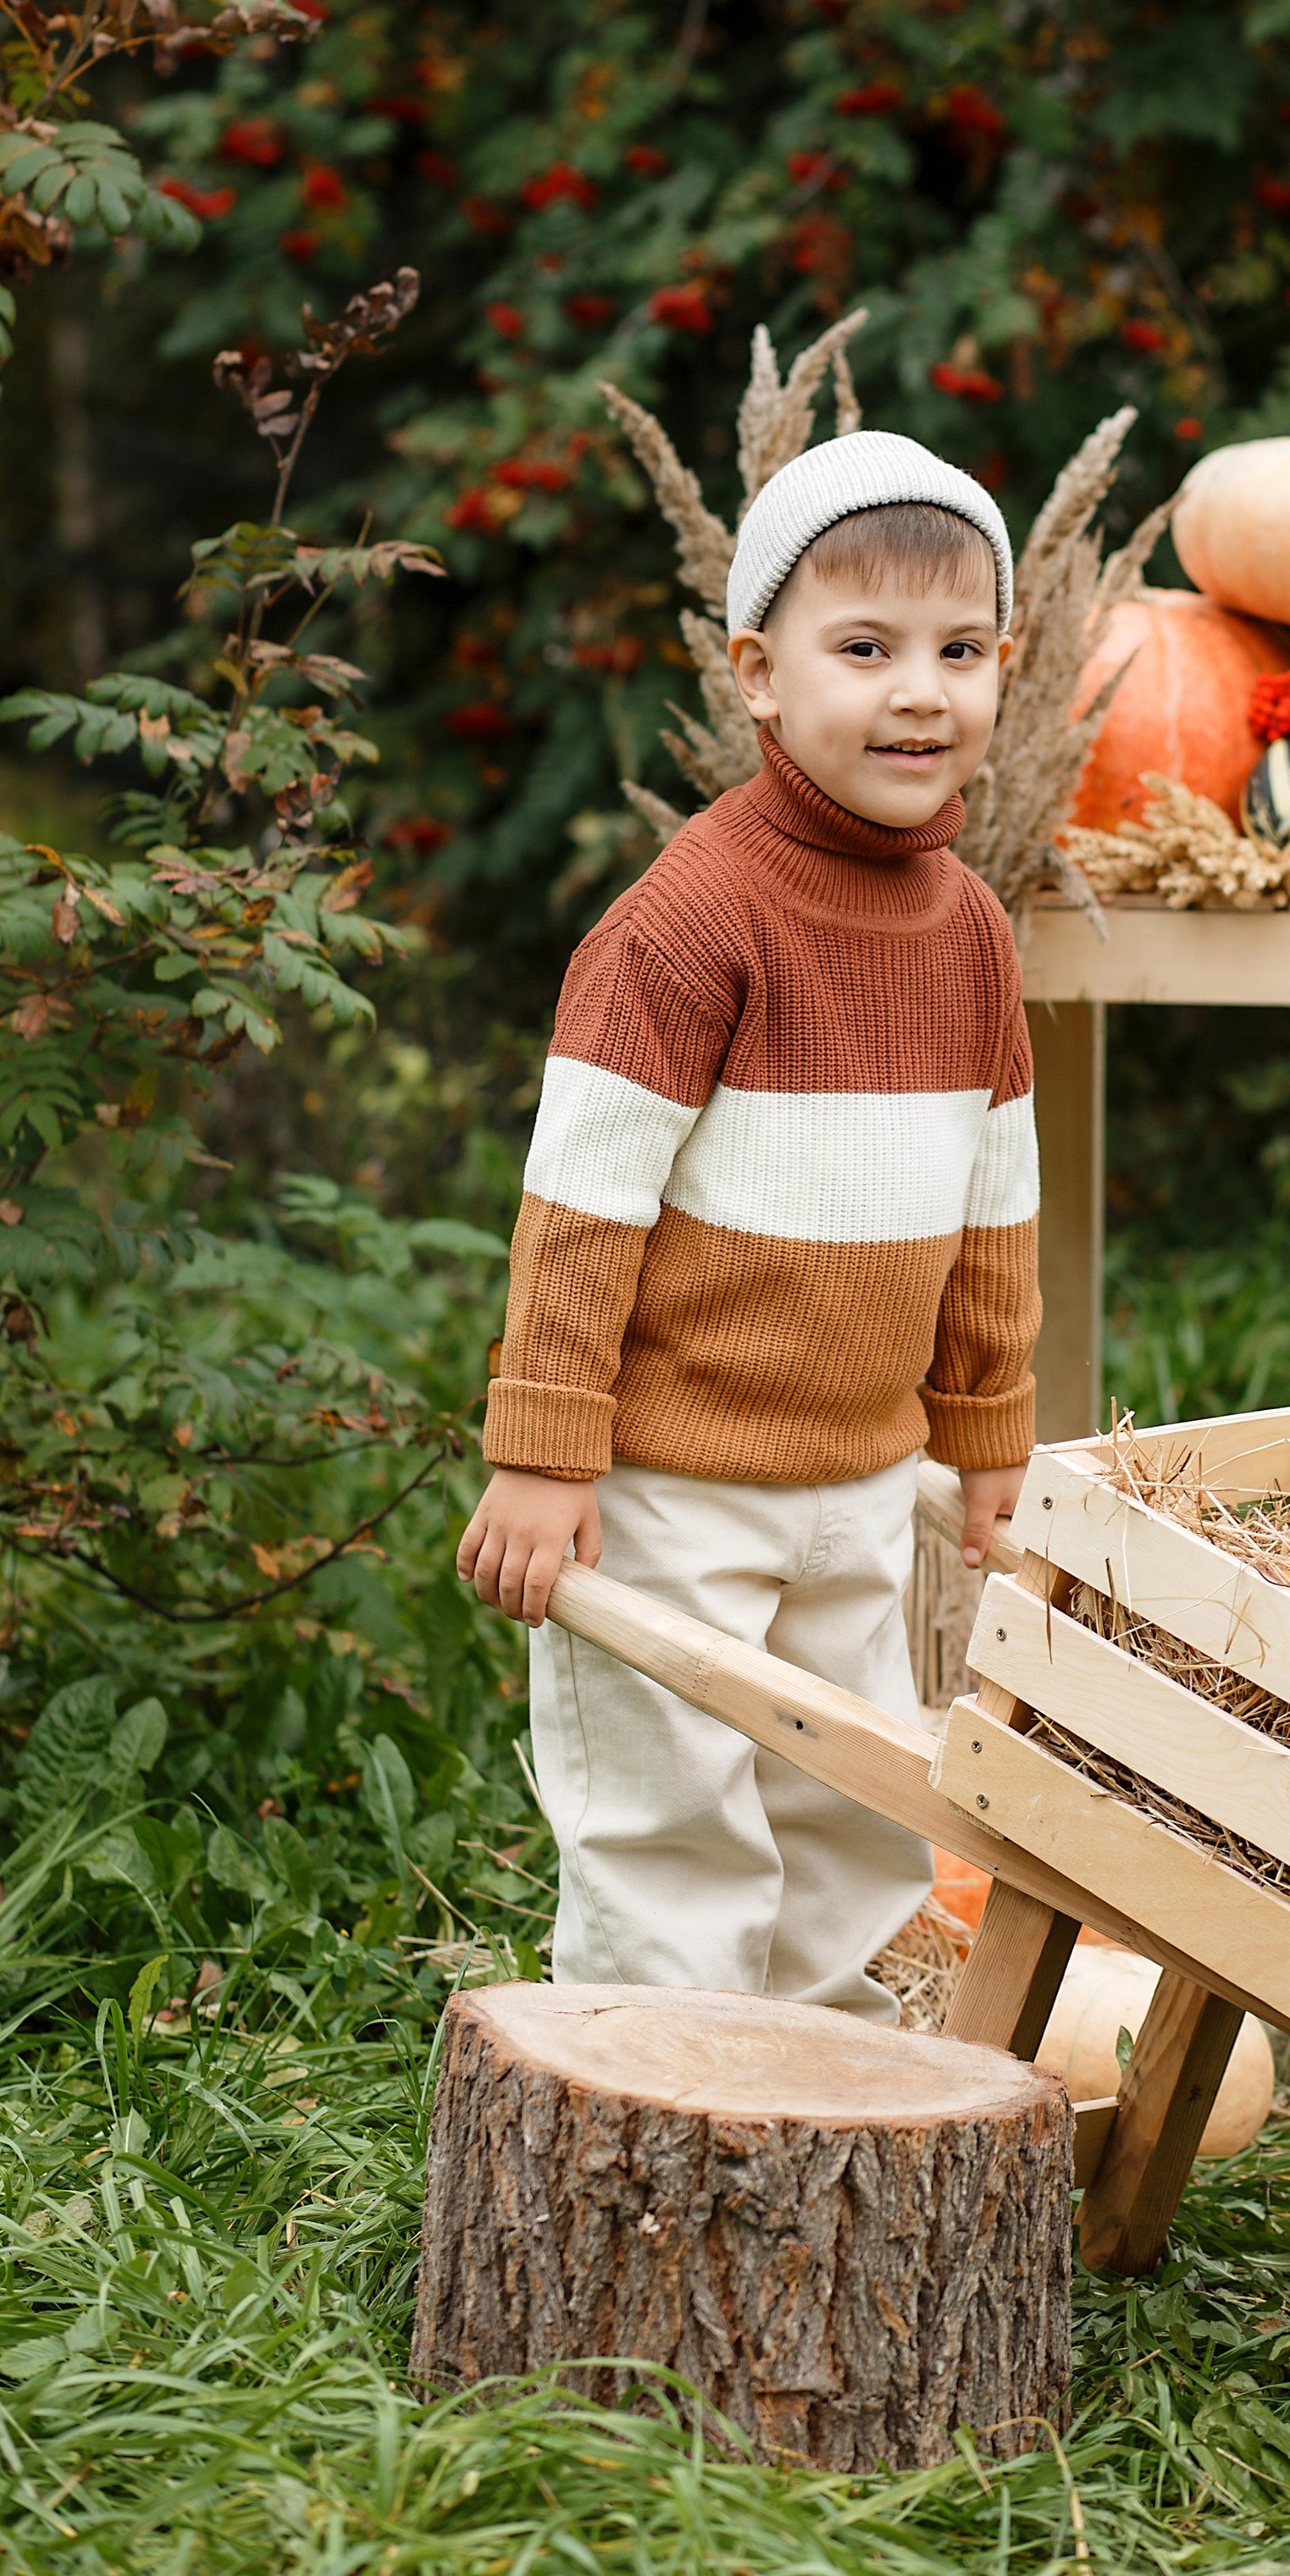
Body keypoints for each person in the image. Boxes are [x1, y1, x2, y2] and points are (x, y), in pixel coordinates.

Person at [456, 429, 1038, 2015]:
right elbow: (579, 1209)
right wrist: (543, 1447)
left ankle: (823, 2102)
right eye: (865, 650)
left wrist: (986, 1433)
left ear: (1005, 666)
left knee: (850, 1810)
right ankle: (663, 2094)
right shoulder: (689, 922)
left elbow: (996, 1213)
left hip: (861, 1475)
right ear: (759, 673)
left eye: (959, 650)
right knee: (676, 1820)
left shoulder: (973, 936)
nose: (920, 692)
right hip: (669, 1487)